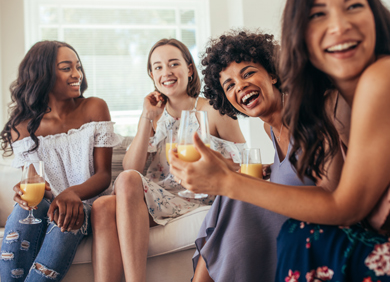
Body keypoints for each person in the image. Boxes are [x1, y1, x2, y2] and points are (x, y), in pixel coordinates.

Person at [169, 0, 390, 280]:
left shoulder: (361, 87)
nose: (339, 26)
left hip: (343, 223)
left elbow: (343, 203)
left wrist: (227, 181)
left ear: (273, 72)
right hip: (334, 219)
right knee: (238, 204)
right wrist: (232, 178)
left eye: (353, 6)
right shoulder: (276, 125)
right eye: (318, 15)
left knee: (285, 227)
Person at [91, 38, 246, 282]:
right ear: (152, 75)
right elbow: (131, 166)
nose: (167, 72)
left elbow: (243, 163)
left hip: (195, 197)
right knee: (101, 206)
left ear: (189, 69)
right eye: (159, 67)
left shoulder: (214, 110)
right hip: (159, 197)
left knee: (128, 181)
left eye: (174, 64)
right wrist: (146, 117)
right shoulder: (156, 115)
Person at [191, 30, 317, 282]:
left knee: (235, 196)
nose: (241, 86)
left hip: (313, 221)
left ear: (272, 73)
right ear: (227, 98)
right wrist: (271, 167)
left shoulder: (306, 113)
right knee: (231, 195)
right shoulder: (268, 127)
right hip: (290, 216)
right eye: (230, 85)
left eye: (247, 73)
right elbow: (298, 164)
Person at [0, 40, 120, 281]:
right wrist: (24, 193)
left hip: (85, 205)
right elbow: (34, 182)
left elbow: (103, 176)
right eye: (66, 68)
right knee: (29, 208)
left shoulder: (94, 108)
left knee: (66, 219)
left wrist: (72, 194)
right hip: (48, 205)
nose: (77, 74)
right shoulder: (21, 125)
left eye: (78, 67)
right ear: (43, 74)